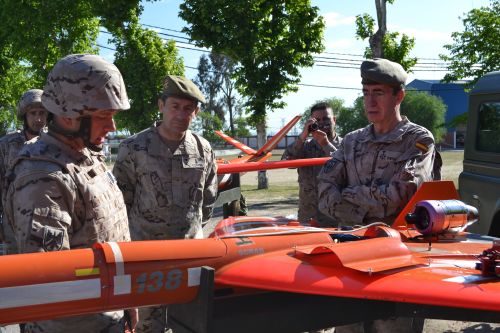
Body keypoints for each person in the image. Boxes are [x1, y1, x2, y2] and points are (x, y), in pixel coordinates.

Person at [2, 54, 137, 333]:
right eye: (103, 116)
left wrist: (127, 299)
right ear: (68, 115)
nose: (112, 128)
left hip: (107, 311)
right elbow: (50, 280)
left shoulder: (85, 154)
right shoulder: (42, 178)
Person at [318, 58, 436, 332]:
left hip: (398, 258)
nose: (370, 101)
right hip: (350, 255)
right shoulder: (351, 141)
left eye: (379, 93)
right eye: (366, 93)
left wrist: (348, 196)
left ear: (399, 96)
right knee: (348, 325)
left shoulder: (417, 140)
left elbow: (401, 194)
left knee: (392, 326)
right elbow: (324, 192)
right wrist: (370, 207)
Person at [113, 75, 218, 333]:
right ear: (161, 106)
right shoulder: (134, 148)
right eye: (175, 106)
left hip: (189, 258)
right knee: (149, 326)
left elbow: (208, 202)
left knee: (191, 324)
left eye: (188, 109)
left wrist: (192, 233)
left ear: (196, 113)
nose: (181, 114)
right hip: (147, 260)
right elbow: (120, 203)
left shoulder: (203, 149)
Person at [0, 89, 48, 256]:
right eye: (33, 113)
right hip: (12, 224)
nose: (38, 119)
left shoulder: (55, 145)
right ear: (24, 116)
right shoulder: (7, 145)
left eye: (42, 113)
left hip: (46, 223)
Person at [282, 102, 342, 227]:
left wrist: (325, 144)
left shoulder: (346, 144)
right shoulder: (306, 146)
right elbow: (286, 162)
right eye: (317, 120)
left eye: (326, 119)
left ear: (334, 120)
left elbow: (345, 166)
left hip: (335, 215)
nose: (322, 123)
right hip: (308, 214)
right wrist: (303, 136)